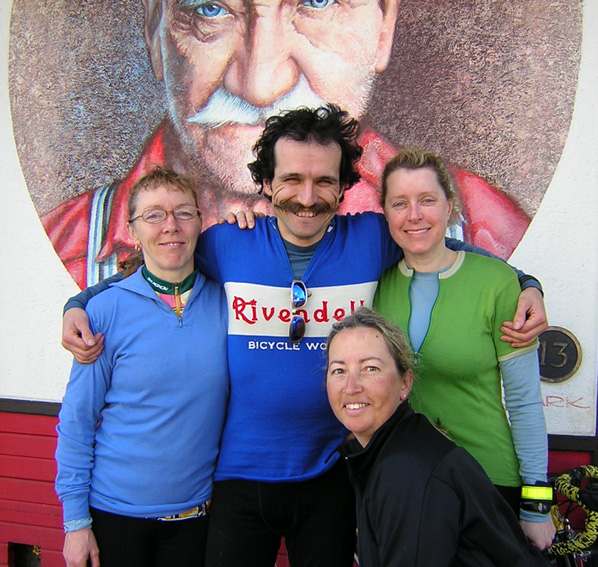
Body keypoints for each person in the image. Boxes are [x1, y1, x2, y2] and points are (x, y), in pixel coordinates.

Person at [61, 106, 547, 567]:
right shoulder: (228, 242)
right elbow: (159, 265)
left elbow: (432, 242)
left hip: (332, 475)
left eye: (324, 181)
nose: (308, 197)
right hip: (238, 477)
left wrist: (526, 283)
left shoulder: (370, 239)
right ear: (267, 184)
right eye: (292, 179)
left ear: (344, 187)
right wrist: (80, 302)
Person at [40, 0, 530, 289]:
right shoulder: (69, 247)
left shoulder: (488, 229)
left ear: (384, 28)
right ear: (154, 32)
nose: (260, 86)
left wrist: (525, 285)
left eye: (317, 1)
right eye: (209, 9)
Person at [373, 148, 555, 550]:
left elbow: (524, 400)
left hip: (488, 478)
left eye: (427, 200)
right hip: (407, 482)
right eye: (399, 203)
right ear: (384, 212)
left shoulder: (498, 283)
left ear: (450, 205)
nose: (414, 215)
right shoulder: (376, 286)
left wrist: (537, 503)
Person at [55, 167, 229, 567]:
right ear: (132, 231)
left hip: (196, 519)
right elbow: (77, 421)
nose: (171, 226)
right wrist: (75, 522)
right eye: (153, 215)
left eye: (183, 212)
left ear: (200, 222)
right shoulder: (104, 310)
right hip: (114, 517)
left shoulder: (227, 304)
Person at [325, 307, 551, 567]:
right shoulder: (396, 448)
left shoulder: (407, 472)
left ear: (405, 383)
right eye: (339, 371)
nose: (351, 387)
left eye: (370, 368)